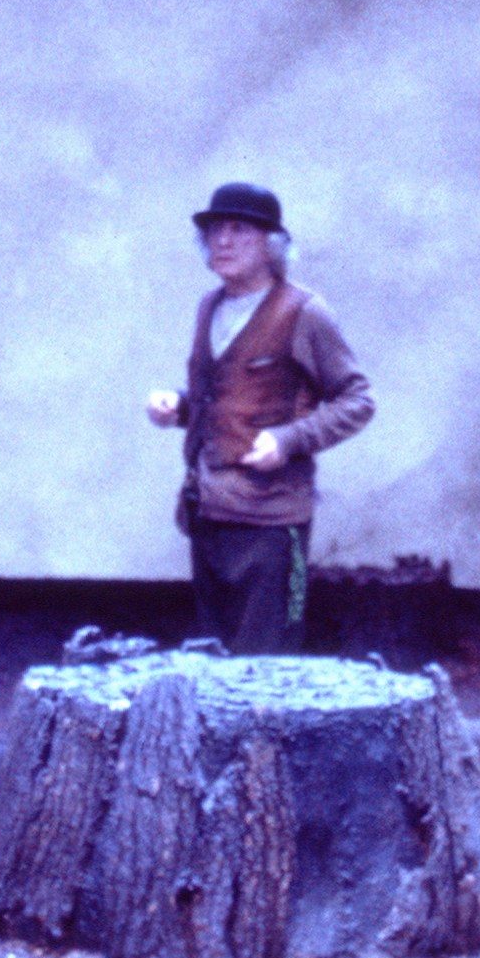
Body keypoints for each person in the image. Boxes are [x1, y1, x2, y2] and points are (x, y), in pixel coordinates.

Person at [145, 183, 374, 651]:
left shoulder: (304, 312)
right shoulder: (210, 306)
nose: (223, 241)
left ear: (272, 246)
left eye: (239, 230)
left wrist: (288, 440)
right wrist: (177, 406)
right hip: (208, 513)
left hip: (273, 524)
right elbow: (224, 401)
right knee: (213, 656)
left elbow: (358, 401)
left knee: (269, 662)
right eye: (214, 231)